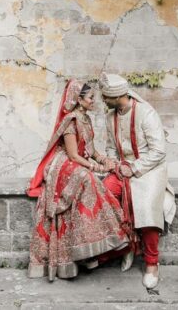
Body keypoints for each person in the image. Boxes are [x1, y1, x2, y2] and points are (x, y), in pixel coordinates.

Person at [27, 79, 132, 281]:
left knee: (91, 178)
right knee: (87, 178)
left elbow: (90, 151)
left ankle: (96, 245)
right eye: (90, 97)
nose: (94, 101)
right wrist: (98, 167)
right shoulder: (71, 121)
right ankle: (92, 243)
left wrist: (105, 160)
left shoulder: (86, 119)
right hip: (63, 163)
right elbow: (74, 155)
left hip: (78, 160)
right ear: (78, 99)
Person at [98, 72, 176, 290]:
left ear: (116, 96)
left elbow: (158, 151)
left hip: (149, 169)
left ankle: (152, 263)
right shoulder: (109, 116)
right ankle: (127, 247)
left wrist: (133, 168)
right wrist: (114, 164)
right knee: (104, 194)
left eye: (105, 97)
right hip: (123, 169)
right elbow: (112, 148)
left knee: (147, 207)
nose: (102, 100)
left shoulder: (146, 113)